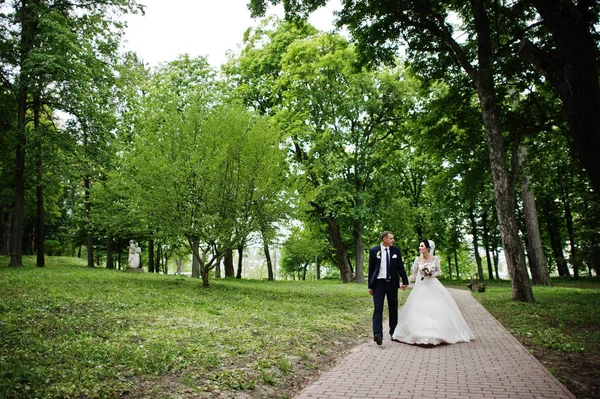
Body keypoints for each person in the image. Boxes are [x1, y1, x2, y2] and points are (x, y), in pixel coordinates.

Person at [392, 239, 474, 345]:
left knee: (436, 308)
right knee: (419, 309)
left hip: (433, 285)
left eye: (421, 246)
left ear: (427, 248)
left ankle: (437, 333)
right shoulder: (417, 259)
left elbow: (438, 271)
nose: (419, 248)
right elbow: (413, 274)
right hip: (421, 287)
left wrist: (431, 274)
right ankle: (418, 332)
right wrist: (405, 283)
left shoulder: (435, 258)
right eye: (420, 246)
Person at [368, 231, 409, 345]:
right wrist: (370, 286)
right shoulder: (374, 251)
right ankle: (377, 334)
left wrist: (405, 281)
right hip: (378, 284)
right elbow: (371, 269)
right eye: (391, 238)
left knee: (393, 308)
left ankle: (393, 332)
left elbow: (400, 267)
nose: (393, 240)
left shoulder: (396, 251)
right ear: (384, 239)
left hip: (392, 283)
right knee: (378, 308)